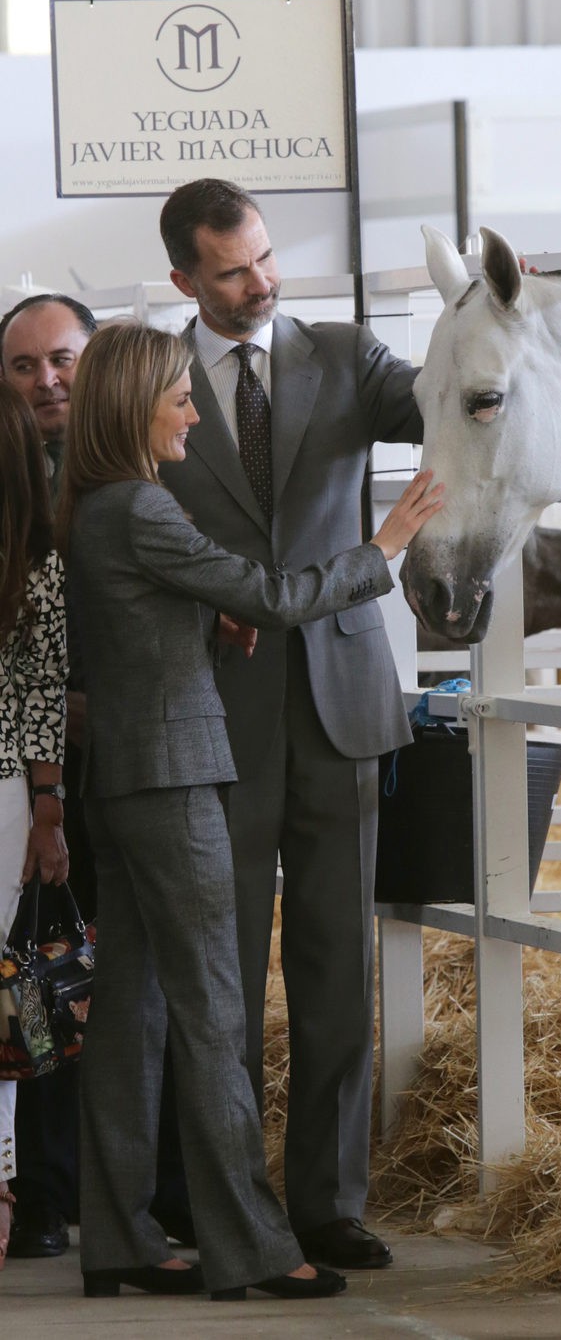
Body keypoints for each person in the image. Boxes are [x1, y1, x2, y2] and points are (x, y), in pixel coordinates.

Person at [56, 320, 442, 1299]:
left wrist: (200, 609)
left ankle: (120, 1237)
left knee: (135, 1012)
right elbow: (272, 593)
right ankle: (253, 1249)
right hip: (178, 775)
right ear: (133, 406)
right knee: (211, 1014)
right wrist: (383, 544)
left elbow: (157, 607)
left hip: (129, 778)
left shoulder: (104, 506)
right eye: (178, 397)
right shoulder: (142, 507)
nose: (193, 408)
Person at [158, 178, 424, 1269]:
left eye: (264, 257)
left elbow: (449, 398)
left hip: (341, 702)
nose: (259, 281)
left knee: (331, 966)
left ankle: (326, 1201)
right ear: (184, 278)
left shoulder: (349, 358)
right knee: (219, 975)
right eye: (230, 269)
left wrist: (498, 320)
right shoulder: (153, 379)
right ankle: (226, 1200)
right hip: (213, 706)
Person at [0, 293, 192, 1258]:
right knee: (40, 968)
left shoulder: (151, 473)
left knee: (136, 969)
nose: (47, 381)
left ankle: (154, 1191)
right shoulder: (8, 488)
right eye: (25, 365)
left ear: (97, 359)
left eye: (63, 359)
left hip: (136, 753)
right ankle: (42, 1191)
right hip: (33, 768)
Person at [0, 381, 70, 1264]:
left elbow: (38, 690)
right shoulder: (38, 558)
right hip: (11, 787)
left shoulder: (37, 562)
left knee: (11, 992)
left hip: (4, 788)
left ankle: (4, 1179)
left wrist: (47, 808)